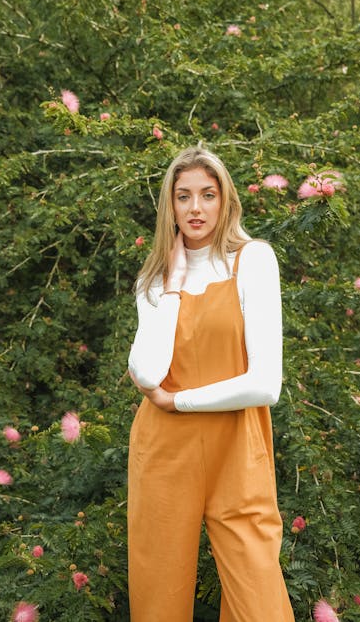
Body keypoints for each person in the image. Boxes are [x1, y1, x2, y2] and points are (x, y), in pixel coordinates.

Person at [127, 146, 295, 622]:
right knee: (158, 596)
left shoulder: (253, 261)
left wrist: (177, 401)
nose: (195, 208)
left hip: (236, 449)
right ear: (170, 205)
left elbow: (265, 385)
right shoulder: (154, 280)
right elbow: (147, 372)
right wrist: (175, 285)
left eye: (207, 194)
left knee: (259, 600)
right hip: (163, 453)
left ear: (225, 201)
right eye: (183, 197)